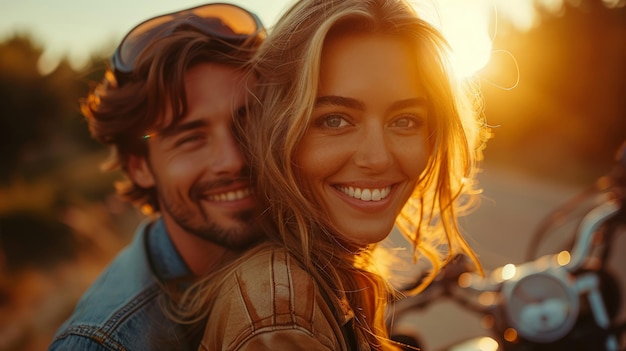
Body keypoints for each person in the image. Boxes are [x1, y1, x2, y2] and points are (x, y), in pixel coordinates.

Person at [173, 0, 490, 350]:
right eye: (334, 120)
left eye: (405, 121)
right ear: (275, 130)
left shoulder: (332, 265)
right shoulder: (282, 322)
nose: (378, 158)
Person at [49, 3, 266, 351]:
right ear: (139, 165)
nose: (234, 160)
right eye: (191, 139)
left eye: (249, 121)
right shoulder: (108, 343)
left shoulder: (323, 241)